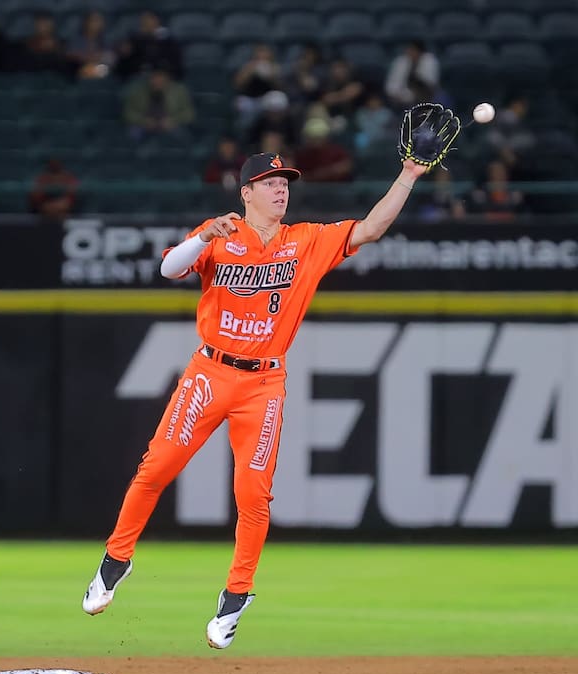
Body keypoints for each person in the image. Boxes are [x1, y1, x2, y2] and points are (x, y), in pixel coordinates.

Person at [81, 144, 434, 648]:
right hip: (210, 371)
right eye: (270, 183)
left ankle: (237, 594)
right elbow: (168, 270)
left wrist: (407, 176)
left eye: (285, 182)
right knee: (156, 468)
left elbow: (370, 229)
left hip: (264, 383)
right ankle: (115, 562)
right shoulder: (220, 233)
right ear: (246, 192)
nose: (281, 188)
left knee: (253, 492)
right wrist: (204, 233)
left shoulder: (306, 241)